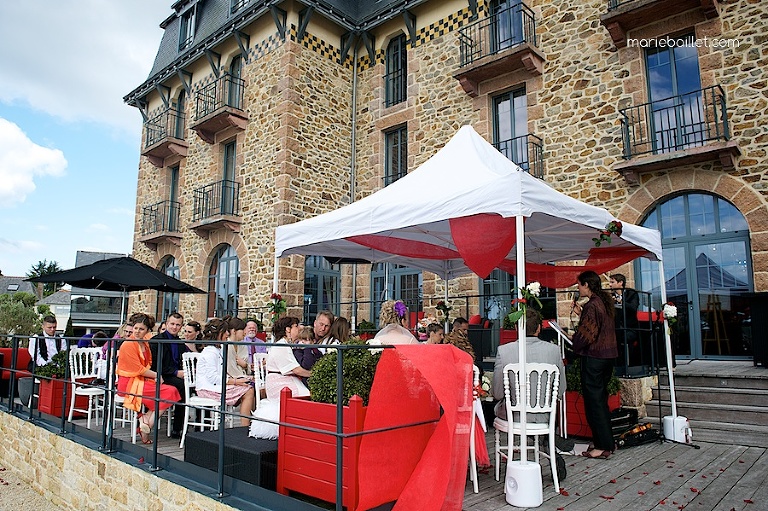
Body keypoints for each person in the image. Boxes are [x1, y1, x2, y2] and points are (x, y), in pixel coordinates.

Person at [492, 308, 568, 479]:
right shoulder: (554, 350)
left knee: (497, 407)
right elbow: (561, 389)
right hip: (544, 418)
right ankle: (546, 444)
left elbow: (497, 393)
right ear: (539, 329)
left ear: (518, 328)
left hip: (515, 417)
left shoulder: (504, 351)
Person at [571, 270, 618, 459]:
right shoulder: (602, 302)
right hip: (607, 356)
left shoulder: (593, 305)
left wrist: (574, 342)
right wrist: (582, 314)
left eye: (579, 284)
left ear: (587, 285)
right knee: (601, 401)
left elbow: (587, 335)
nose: (578, 287)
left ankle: (602, 445)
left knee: (595, 403)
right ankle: (607, 441)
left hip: (595, 358)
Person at [116, 314, 181, 444]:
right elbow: (139, 369)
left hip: (141, 381)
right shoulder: (128, 344)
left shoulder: (145, 344)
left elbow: (147, 365)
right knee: (168, 392)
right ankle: (145, 425)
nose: (137, 331)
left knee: (172, 390)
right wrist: (157, 376)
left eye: (141, 329)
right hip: (129, 383)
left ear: (147, 331)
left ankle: (147, 422)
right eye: (136, 328)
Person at [196, 317, 256, 427]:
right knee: (249, 391)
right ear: (219, 334)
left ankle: (247, 424)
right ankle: (245, 426)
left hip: (214, 386)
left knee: (249, 388)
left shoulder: (217, 350)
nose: (227, 334)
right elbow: (213, 378)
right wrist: (235, 382)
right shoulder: (210, 352)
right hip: (207, 388)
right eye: (225, 332)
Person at [149, 312, 187, 438]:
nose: (174, 327)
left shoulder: (181, 343)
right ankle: (177, 428)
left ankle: (196, 425)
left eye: (178, 325)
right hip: (161, 375)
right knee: (182, 387)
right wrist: (176, 372)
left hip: (176, 374)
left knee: (193, 386)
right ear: (166, 324)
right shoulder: (156, 341)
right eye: (172, 324)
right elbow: (156, 364)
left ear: (181, 327)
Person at [265, 316, 312, 400]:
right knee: (307, 395)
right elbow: (296, 370)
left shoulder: (286, 344)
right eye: (296, 326)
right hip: (279, 382)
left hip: (286, 380)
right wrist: (313, 374)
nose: (299, 328)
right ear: (288, 329)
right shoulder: (281, 345)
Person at [609, 273, 640, 361]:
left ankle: (627, 363)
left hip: (630, 327)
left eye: (612, 282)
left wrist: (621, 301)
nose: (610, 285)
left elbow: (633, 308)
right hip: (616, 327)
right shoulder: (611, 296)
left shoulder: (631, 294)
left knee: (624, 339)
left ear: (620, 283)